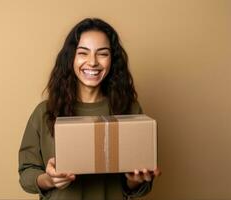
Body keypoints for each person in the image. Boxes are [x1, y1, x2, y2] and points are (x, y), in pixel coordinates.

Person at [18, 18, 160, 200]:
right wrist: (49, 180)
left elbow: (137, 183)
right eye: (83, 53)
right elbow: (26, 173)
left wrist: (136, 180)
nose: (92, 62)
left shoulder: (130, 110)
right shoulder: (45, 112)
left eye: (103, 53)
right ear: (71, 58)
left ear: (113, 59)